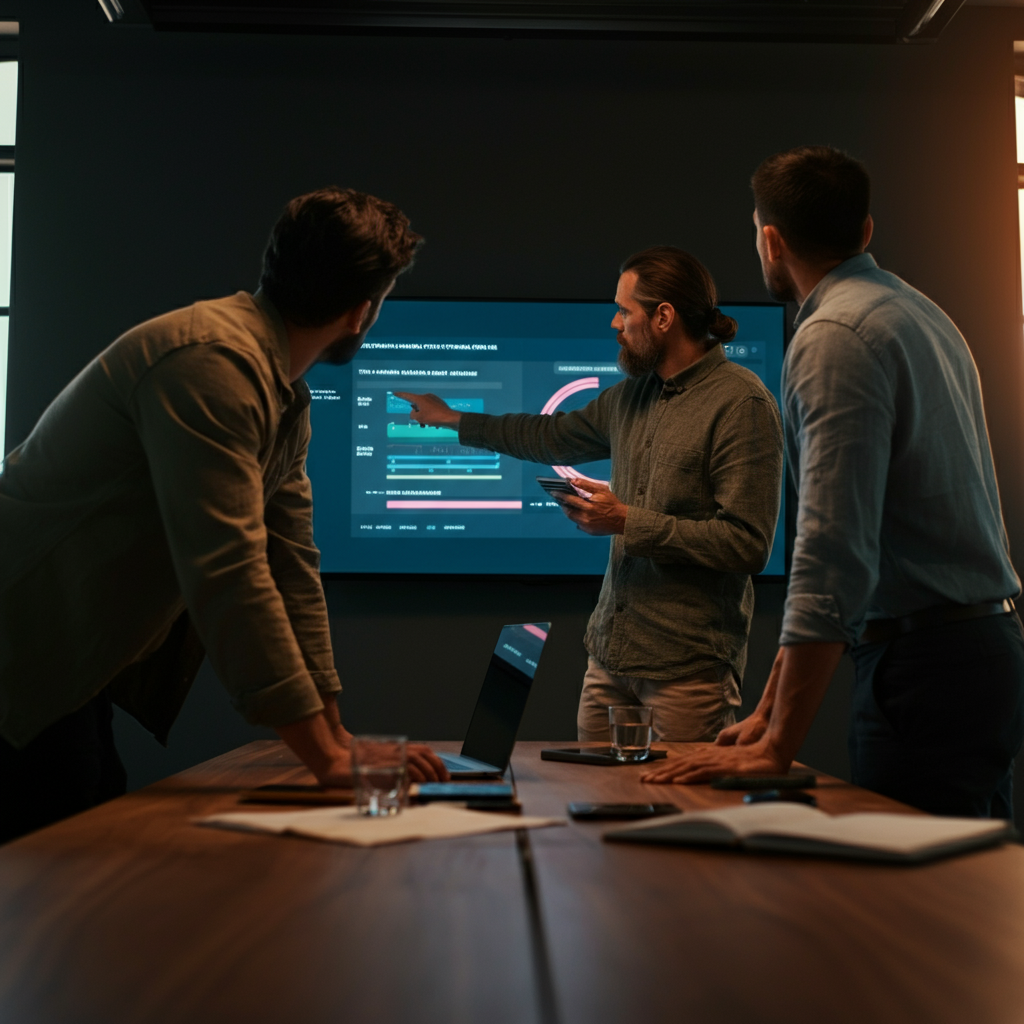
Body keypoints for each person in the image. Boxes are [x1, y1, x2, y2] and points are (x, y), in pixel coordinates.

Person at [0, 186, 448, 843]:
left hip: (67, 650)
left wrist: (336, 734)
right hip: (22, 640)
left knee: (85, 808)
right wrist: (324, 759)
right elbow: (230, 574)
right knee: (53, 846)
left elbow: (292, 565)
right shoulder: (211, 365)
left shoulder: (281, 393)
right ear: (362, 311)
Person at [642, 146, 1024, 820]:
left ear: (770, 240)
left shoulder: (832, 337)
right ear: (865, 231)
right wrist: (764, 713)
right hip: (978, 653)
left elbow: (833, 551)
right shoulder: (919, 313)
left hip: (926, 669)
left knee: (910, 911)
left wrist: (776, 745)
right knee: (969, 898)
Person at [398, 247, 784, 744]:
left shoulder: (742, 402)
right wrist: (454, 420)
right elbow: (551, 436)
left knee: (679, 817)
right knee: (595, 808)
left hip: (687, 672)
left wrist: (628, 520)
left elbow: (748, 544)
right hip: (609, 660)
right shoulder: (633, 395)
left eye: (625, 310)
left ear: (664, 317)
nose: (614, 323)